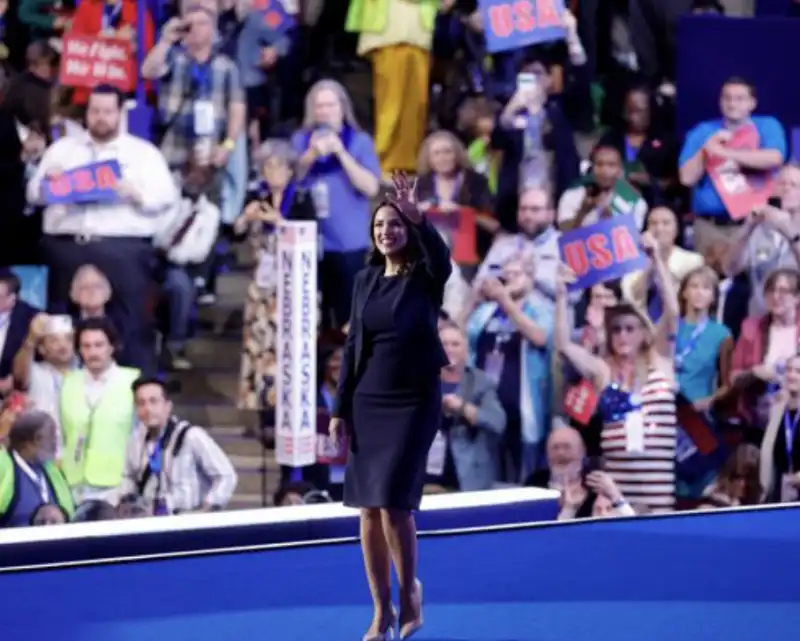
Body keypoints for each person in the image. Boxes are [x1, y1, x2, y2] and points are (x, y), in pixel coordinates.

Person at [328, 172, 451, 641]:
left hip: (414, 401)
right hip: (368, 401)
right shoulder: (364, 281)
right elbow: (355, 345)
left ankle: (409, 593)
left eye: (395, 224)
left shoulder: (426, 277)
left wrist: (419, 218)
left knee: (395, 505)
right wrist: (340, 409)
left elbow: (440, 256)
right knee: (367, 509)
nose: (387, 231)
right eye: (380, 225)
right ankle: (381, 611)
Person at [114, 377, 237, 515]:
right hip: (149, 519)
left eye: (153, 401)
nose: (147, 408)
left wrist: (207, 509)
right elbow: (128, 476)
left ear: (168, 406)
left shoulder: (191, 436)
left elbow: (226, 476)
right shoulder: (135, 440)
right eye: (141, 403)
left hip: (187, 519)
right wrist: (127, 502)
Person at [0, 410, 75, 527]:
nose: (56, 443)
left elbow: (71, 514)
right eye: (52, 437)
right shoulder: (3, 467)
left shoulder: (52, 470)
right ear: (31, 442)